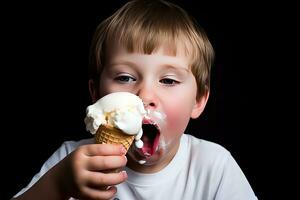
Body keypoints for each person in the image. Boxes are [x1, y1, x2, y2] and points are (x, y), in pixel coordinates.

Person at [12, 0, 257, 199]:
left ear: (198, 101)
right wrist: (58, 186)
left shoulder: (214, 167)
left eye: (169, 80)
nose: (145, 96)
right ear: (96, 94)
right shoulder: (71, 162)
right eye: (126, 77)